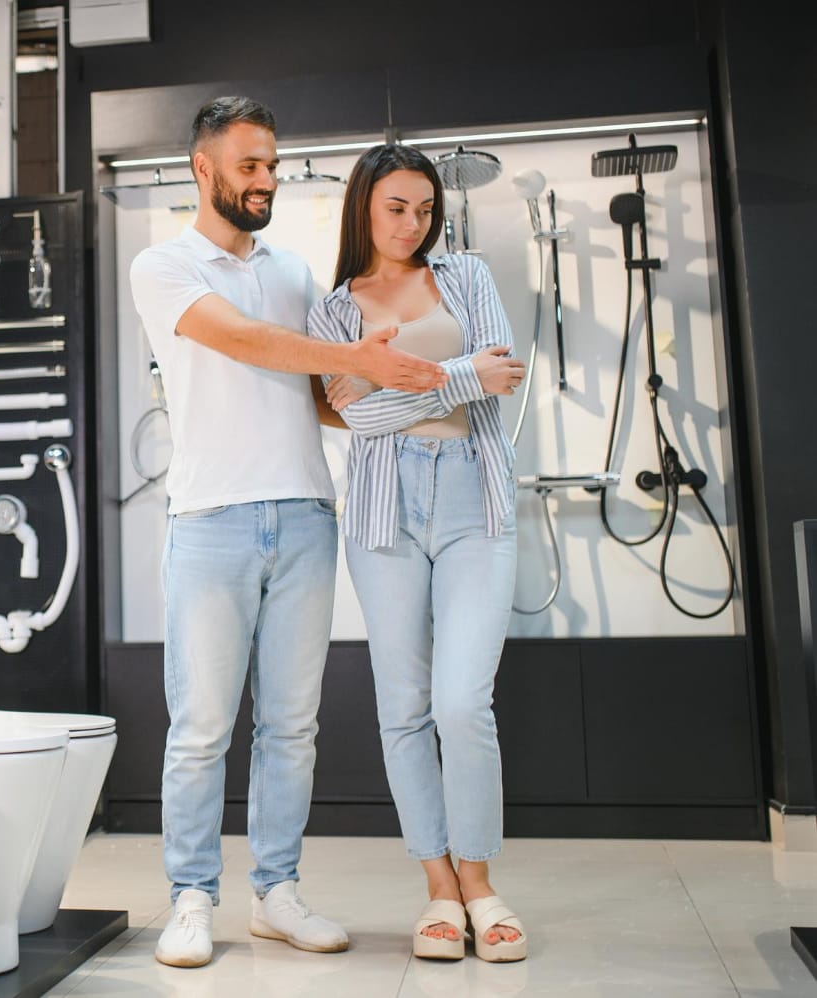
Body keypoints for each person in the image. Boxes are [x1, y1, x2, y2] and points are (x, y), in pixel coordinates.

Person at [128, 97, 448, 970]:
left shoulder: (294, 273)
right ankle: (192, 898)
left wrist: (420, 396)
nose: (266, 179)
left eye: (272, 163)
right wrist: (354, 358)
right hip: (210, 521)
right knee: (200, 728)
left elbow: (316, 393)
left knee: (292, 728)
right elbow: (242, 342)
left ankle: (275, 893)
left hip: (307, 517)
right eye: (249, 166)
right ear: (204, 168)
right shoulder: (162, 266)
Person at [307, 143, 528, 963]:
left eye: (425, 209)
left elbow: (503, 370)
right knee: (404, 708)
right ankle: (438, 887)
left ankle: (480, 881)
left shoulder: (466, 277)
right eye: (397, 207)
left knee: (464, 703)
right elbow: (351, 422)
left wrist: (402, 384)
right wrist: (457, 374)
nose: (413, 223)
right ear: (364, 205)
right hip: (382, 509)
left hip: (475, 494)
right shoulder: (334, 311)